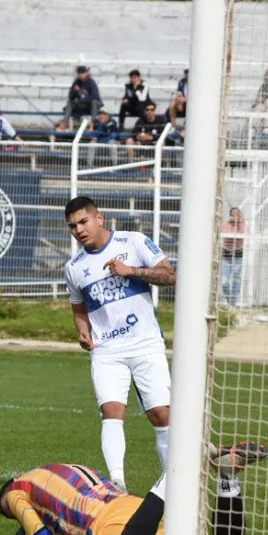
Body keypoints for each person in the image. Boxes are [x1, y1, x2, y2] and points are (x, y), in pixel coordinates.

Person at [0, 442, 267, 535]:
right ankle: (227, 480)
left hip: (105, 521)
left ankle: (175, 467)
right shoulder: (59, 469)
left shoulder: (17, 490)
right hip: (137, 508)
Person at [62, 196, 176, 491]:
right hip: (107, 352)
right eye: (73, 226)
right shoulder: (74, 267)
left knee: (161, 415)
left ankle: (173, 483)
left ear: (99, 218)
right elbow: (78, 308)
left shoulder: (133, 241)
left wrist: (132, 271)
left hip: (145, 344)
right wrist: (83, 331)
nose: (79, 230)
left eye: (83, 221)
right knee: (111, 412)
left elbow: (170, 276)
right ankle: (117, 483)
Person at [220, 207, 245, 307]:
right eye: (233, 215)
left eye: (237, 215)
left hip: (238, 255)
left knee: (236, 279)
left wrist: (240, 222)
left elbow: (242, 233)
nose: (235, 217)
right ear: (230, 215)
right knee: (224, 281)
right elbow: (224, 233)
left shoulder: (242, 225)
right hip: (226, 255)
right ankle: (230, 301)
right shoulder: (226, 224)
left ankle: (232, 304)